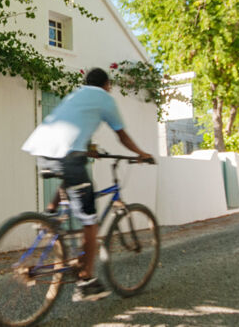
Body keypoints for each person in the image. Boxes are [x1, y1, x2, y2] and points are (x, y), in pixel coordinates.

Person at [21, 67, 153, 302]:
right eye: (109, 86)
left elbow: (75, 127)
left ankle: (49, 217)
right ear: (106, 84)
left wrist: (89, 150)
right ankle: (86, 280)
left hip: (42, 151)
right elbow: (121, 135)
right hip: (67, 156)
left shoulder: (76, 95)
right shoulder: (104, 98)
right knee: (90, 222)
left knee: (70, 177)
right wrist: (141, 153)